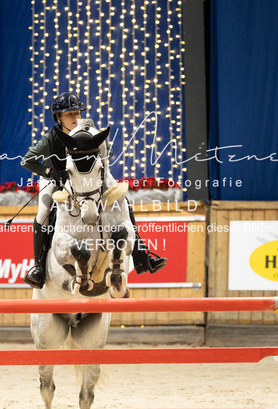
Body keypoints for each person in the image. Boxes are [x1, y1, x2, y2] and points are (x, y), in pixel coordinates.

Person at [20, 91, 167, 288]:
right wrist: (50, 171)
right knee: (44, 212)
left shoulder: (89, 132)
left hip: (87, 182)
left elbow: (110, 152)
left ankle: (141, 255)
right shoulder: (51, 138)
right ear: (59, 118)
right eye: (69, 114)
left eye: (77, 113)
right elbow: (27, 161)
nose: (75, 117)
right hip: (58, 180)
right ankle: (38, 267)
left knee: (124, 202)